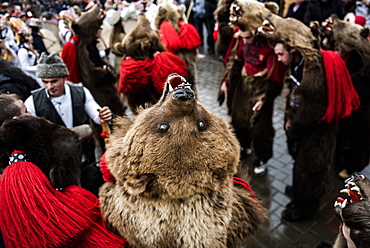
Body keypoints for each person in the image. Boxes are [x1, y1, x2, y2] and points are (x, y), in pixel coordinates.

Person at [274, 41, 359, 221]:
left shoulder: (313, 71)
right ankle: (299, 194)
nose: (278, 59)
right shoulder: (298, 65)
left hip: (316, 133)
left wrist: (295, 127)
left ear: (292, 51)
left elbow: (312, 109)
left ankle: (305, 207)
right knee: (299, 165)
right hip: (304, 126)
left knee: (307, 169)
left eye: (281, 54)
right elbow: (295, 94)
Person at [24, 52, 113, 166]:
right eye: (45, 82)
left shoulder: (81, 92)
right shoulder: (32, 101)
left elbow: (97, 115)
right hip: (56, 163)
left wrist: (105, 115)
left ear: (64, 77)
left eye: (54, 81)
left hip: (85, 158)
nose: (49, 87)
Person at [219, 30, 286, 176]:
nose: (245, 41)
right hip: (243, 88)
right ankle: (244, 146)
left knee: (261, 127)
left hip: (260, 91)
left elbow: (273, 77)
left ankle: (262, 158)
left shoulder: (268, 47)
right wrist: (226, 81)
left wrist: (264, 99)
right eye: (242, 37)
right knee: (238, 120)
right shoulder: (242, 42)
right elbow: (234, 62)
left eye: (248, 37)